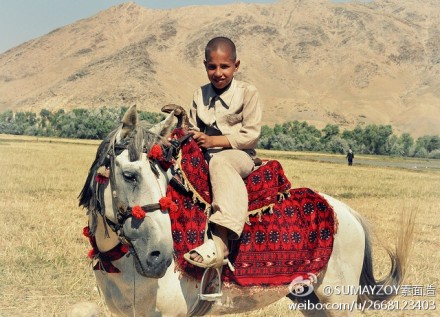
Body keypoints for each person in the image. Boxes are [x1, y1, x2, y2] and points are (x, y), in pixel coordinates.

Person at [184, 36, 263, 269]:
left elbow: (250, 135)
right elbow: (193, 128)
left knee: (220, 162)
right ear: (205, 66)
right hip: (206, 154)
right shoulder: (200, 94)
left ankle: (221, 242)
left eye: (225, 66)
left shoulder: (248, 93)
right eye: (212, 67)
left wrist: (212, 141)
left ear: (236, 66)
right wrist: (191, 134)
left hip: (239, 155)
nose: (218, 72)